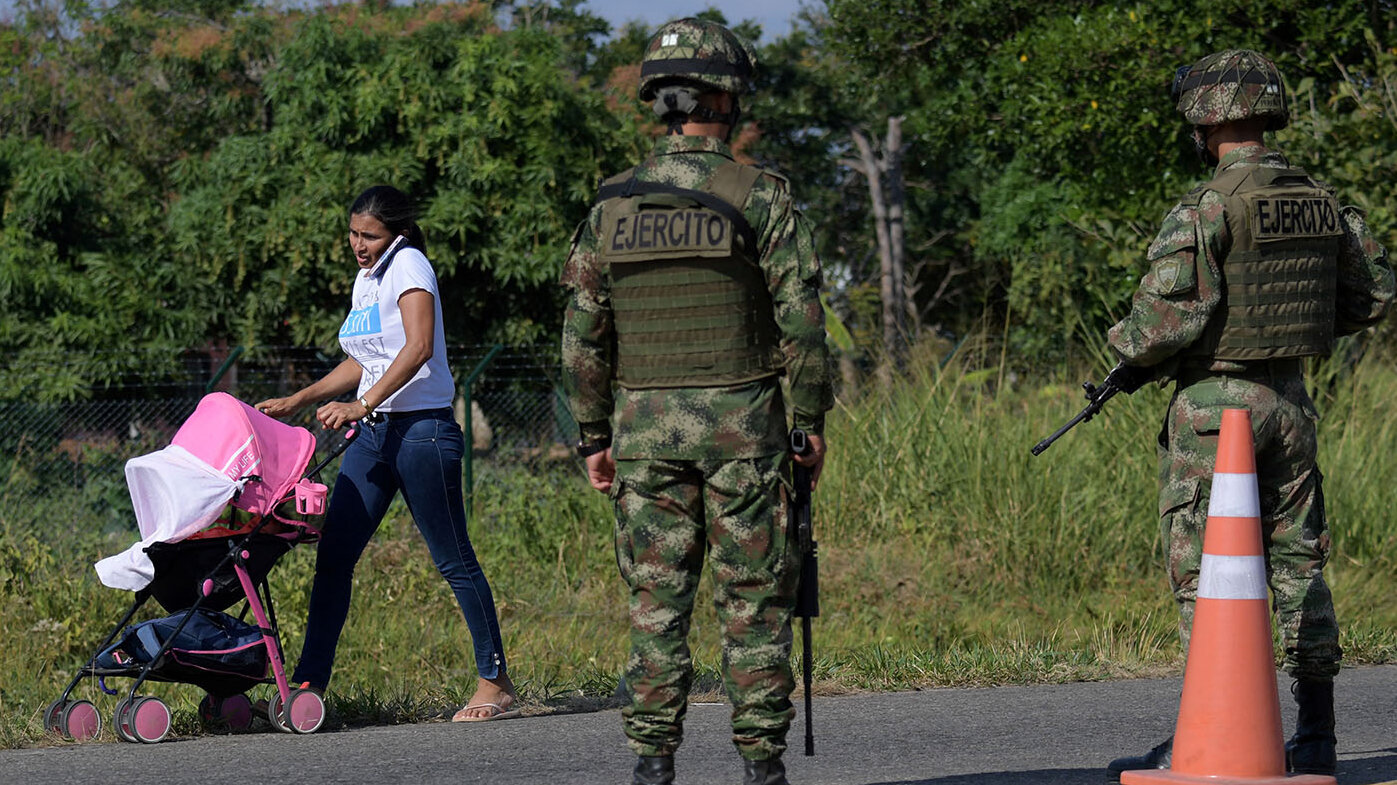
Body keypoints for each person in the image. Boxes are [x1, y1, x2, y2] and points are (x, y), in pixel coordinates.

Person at [1102, 50, 1394, 781]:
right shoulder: (1322, 202)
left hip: (1214, 411)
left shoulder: (1206, 206)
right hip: (1291, 402)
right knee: (1299, 558)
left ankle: (1211, 731)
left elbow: (1159, 324)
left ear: (1203, 122)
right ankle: (1317, 732)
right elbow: (1371, 298)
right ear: (1267, 110)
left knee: (1207, 569)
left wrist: (1126, 361)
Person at [560, 18, 834, 785]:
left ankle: (652, 764)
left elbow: (581, 339)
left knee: (656, 608)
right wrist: (807, 423)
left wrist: (591, 436)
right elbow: (804, 328)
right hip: (746, 434)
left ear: (660, 102)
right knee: (753, 607)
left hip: (643, 437)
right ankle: (762, 768)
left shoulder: (610, 208)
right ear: (728, 100)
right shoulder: (760, 196)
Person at [256, 185, 519, 723]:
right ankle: (307, 688)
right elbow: (364, 360)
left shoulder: (409, 265)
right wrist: (303, 398)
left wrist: (361, 404)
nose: (358, 243)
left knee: (453, 559)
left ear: (395, 232)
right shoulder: (367, 278)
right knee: (333, 559)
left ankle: (495, 681)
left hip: (422, 433)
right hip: (374, 437)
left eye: (369, 235)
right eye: (353, 233)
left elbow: (418, 347)